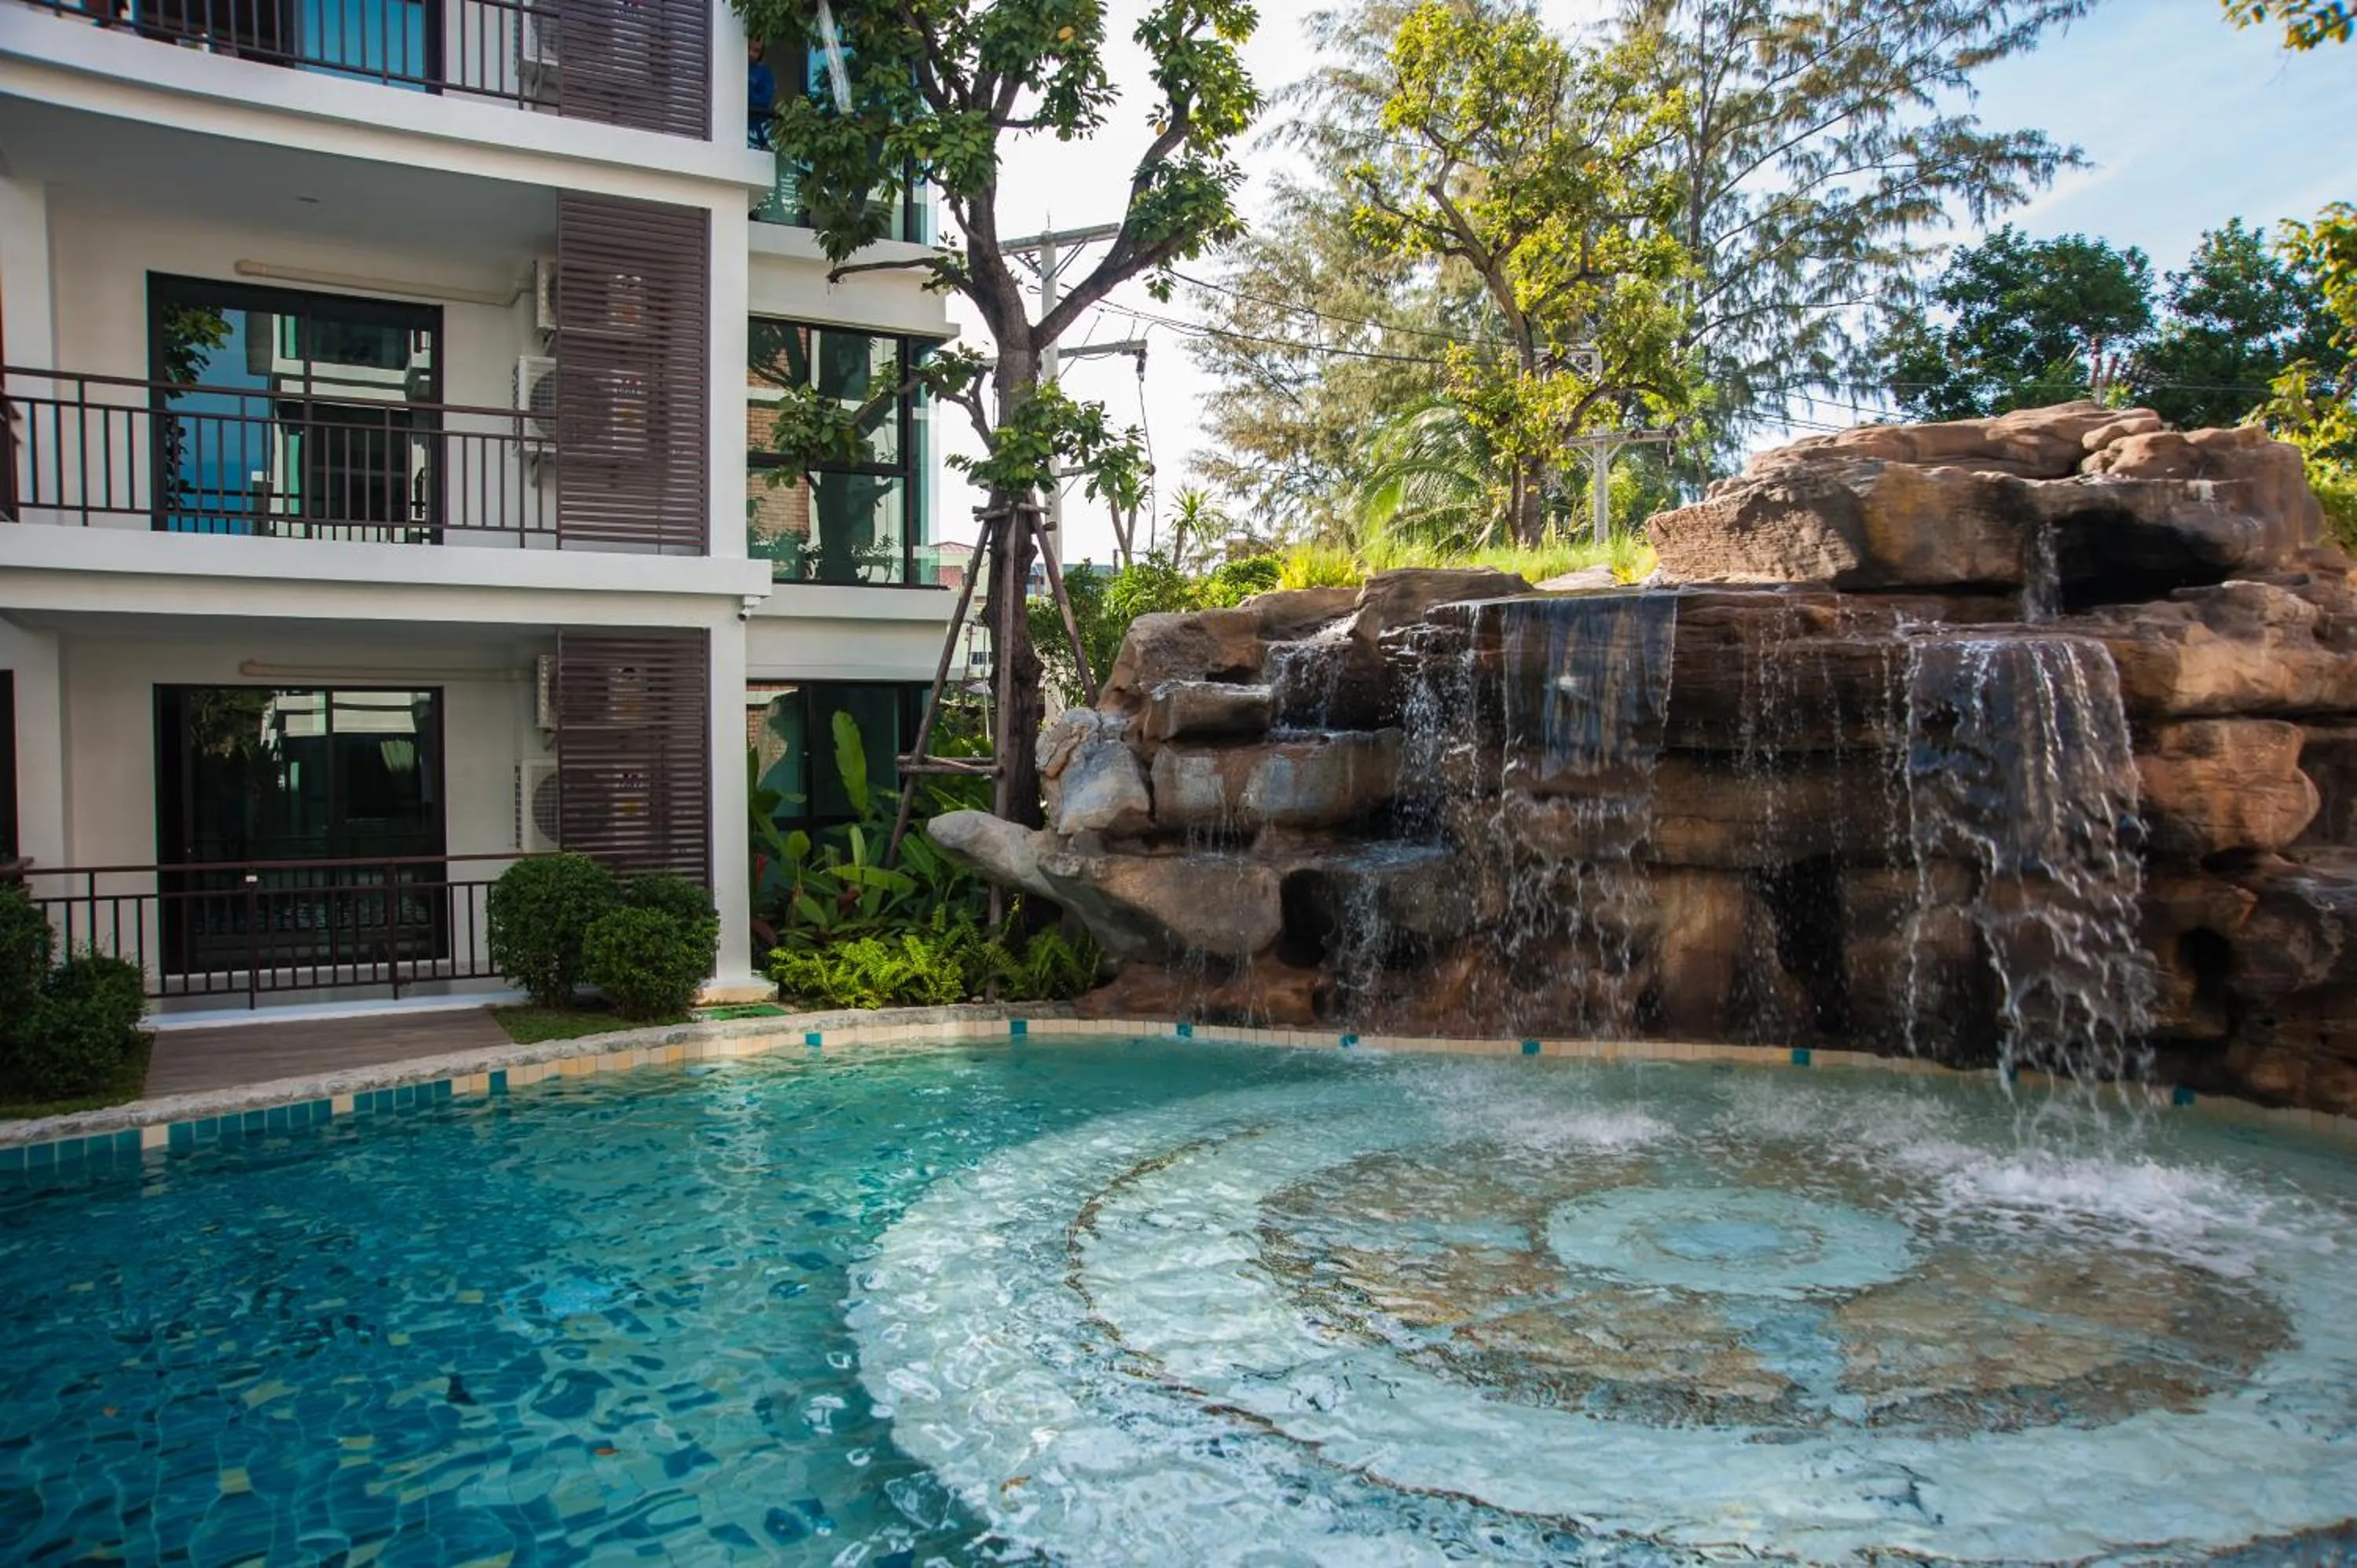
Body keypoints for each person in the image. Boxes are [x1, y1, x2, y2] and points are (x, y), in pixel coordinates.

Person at [747, 39, 776, 149]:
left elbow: (764, 101)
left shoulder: (764, 73)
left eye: (756, 51)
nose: (751, 53)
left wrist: (748, 87)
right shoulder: (731, 68)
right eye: (748, 48)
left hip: (755, 128)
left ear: (761, 54)